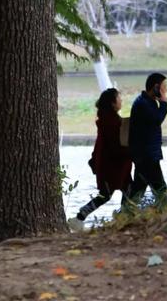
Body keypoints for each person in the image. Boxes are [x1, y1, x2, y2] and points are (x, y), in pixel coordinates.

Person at [68, 87, 132, 230]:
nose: (121, 101)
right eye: (118, 98)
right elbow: (115, 146)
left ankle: (122, 219)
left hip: (115, 165)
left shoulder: (108, 120)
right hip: (113, 166)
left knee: (125, 191)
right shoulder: (111, 122)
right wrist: (130, 152)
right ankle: (81, 217)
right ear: (112, 103)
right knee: (109, 194)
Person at [127, 72, 167, 205]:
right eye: (163, 87)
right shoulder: (143, 104)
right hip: (147, 156)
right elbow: (156, 120)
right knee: (161, 190)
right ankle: (166, 214)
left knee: (138, 189)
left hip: (146, 155)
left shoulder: (148, 102)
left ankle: (125, 214)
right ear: (156, 87)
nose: (165, 90)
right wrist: (163, 104)